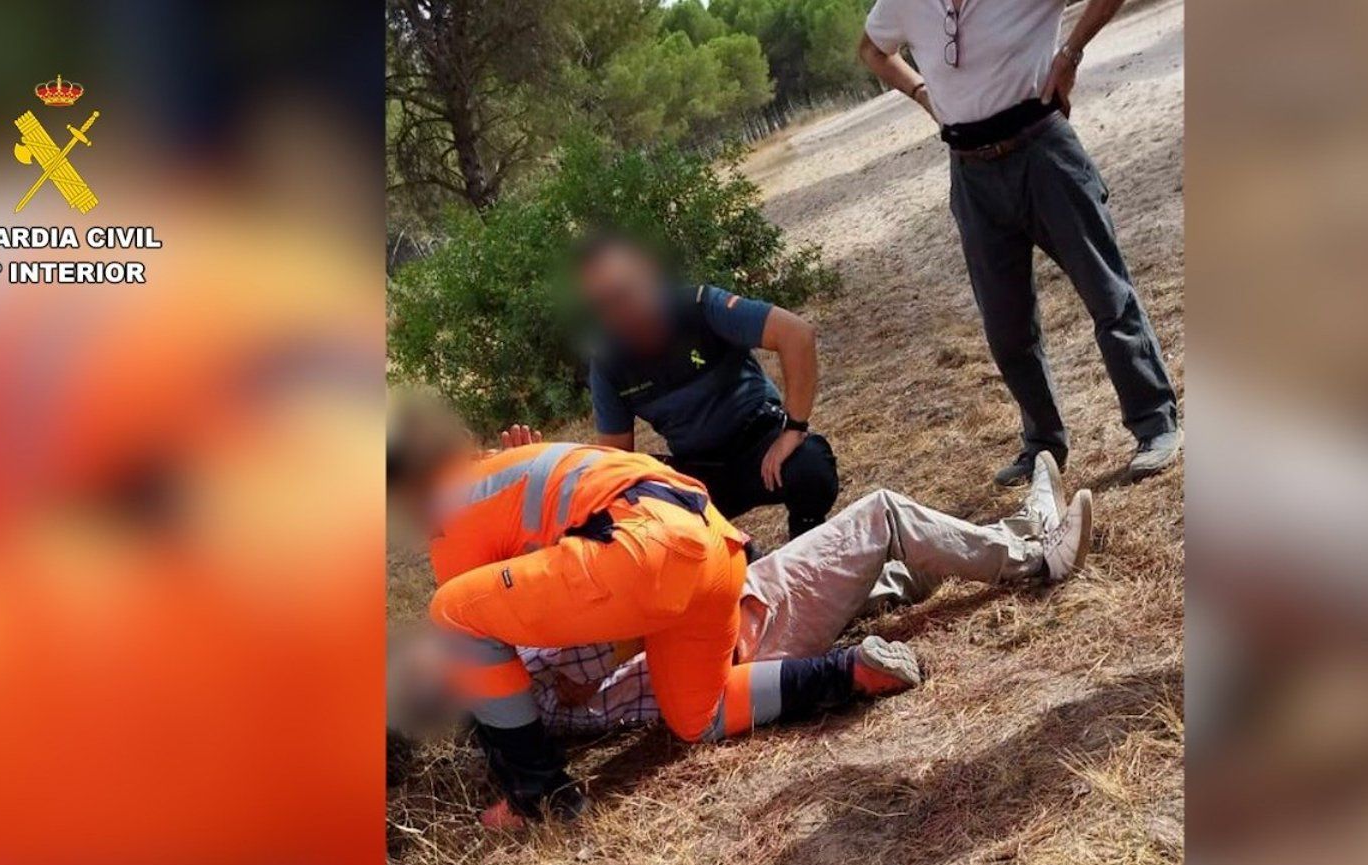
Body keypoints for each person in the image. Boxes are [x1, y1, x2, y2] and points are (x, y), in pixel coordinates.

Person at [385, 394, 918, 824]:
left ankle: (541, 797)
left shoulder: (451, 514)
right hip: (710, 542)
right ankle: (853, 671)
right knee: (698, 717)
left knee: (453, 613)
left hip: (640, 551)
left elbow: (483, 646)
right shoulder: (505, 469)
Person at [391, 447, 1092, 745]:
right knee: (880, 518)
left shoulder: (508, 673)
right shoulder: (524, 668)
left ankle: (1018, 528)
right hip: (743, 625)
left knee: (883, 575)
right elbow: (622, 615)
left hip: (733, 622)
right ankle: (1034, 560)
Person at [857, 0, 1182, 486]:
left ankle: (1155, 424)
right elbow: (871, 50)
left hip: (1043, 153)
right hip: (970, 172)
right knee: (1006, 326)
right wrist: (922, 91)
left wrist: (1070, 54)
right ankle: (1044, 446)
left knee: (1106, 295)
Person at [577, 234, 839, 537]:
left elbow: (796, 334)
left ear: (646, 273)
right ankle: (733, 565)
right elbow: (616, 463)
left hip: (758, 442)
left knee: (811, 466)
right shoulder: (609, 360)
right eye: (603, 305)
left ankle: (807, 534)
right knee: (636, 505)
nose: (619, 312)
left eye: (623, 293)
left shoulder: (701, 307)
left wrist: (793, 429)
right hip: (699, 471)